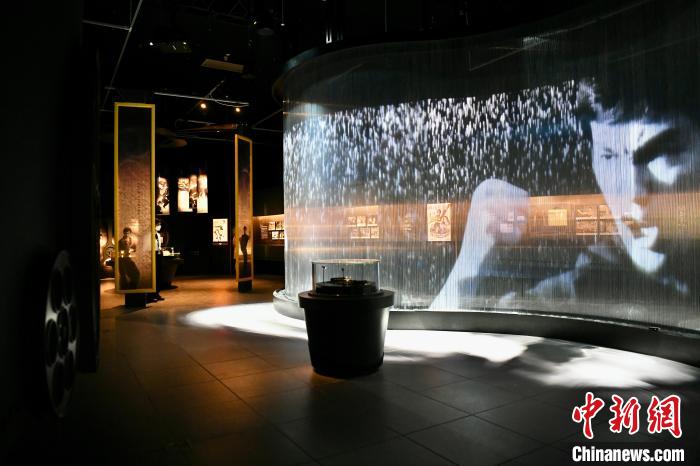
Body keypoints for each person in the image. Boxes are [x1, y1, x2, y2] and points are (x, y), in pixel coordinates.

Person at [432, 73, 700, 320]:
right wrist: (472, 260)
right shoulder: (591, 281)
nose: (633, 192)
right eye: (609, 156)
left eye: (661, 151)